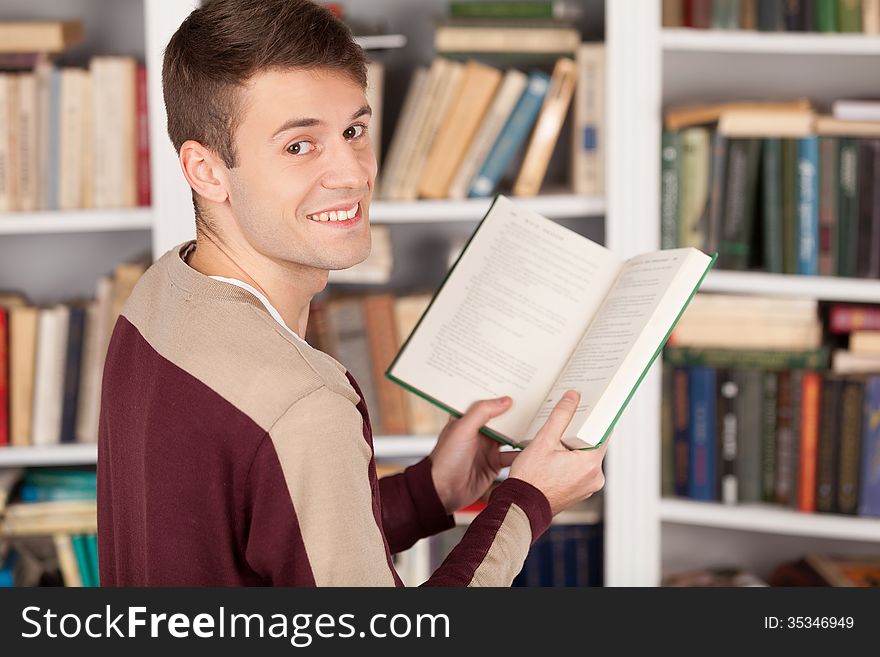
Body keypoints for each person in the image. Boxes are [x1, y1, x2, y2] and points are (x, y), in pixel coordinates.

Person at [97, 0, 607, 587]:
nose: (354, 173)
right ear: (206, 170)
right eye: (299, 145)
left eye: (354, 131)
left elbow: (270, 537)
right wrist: (528, 501)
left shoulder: (158, 295)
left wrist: (430, 489)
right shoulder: (303, 401)